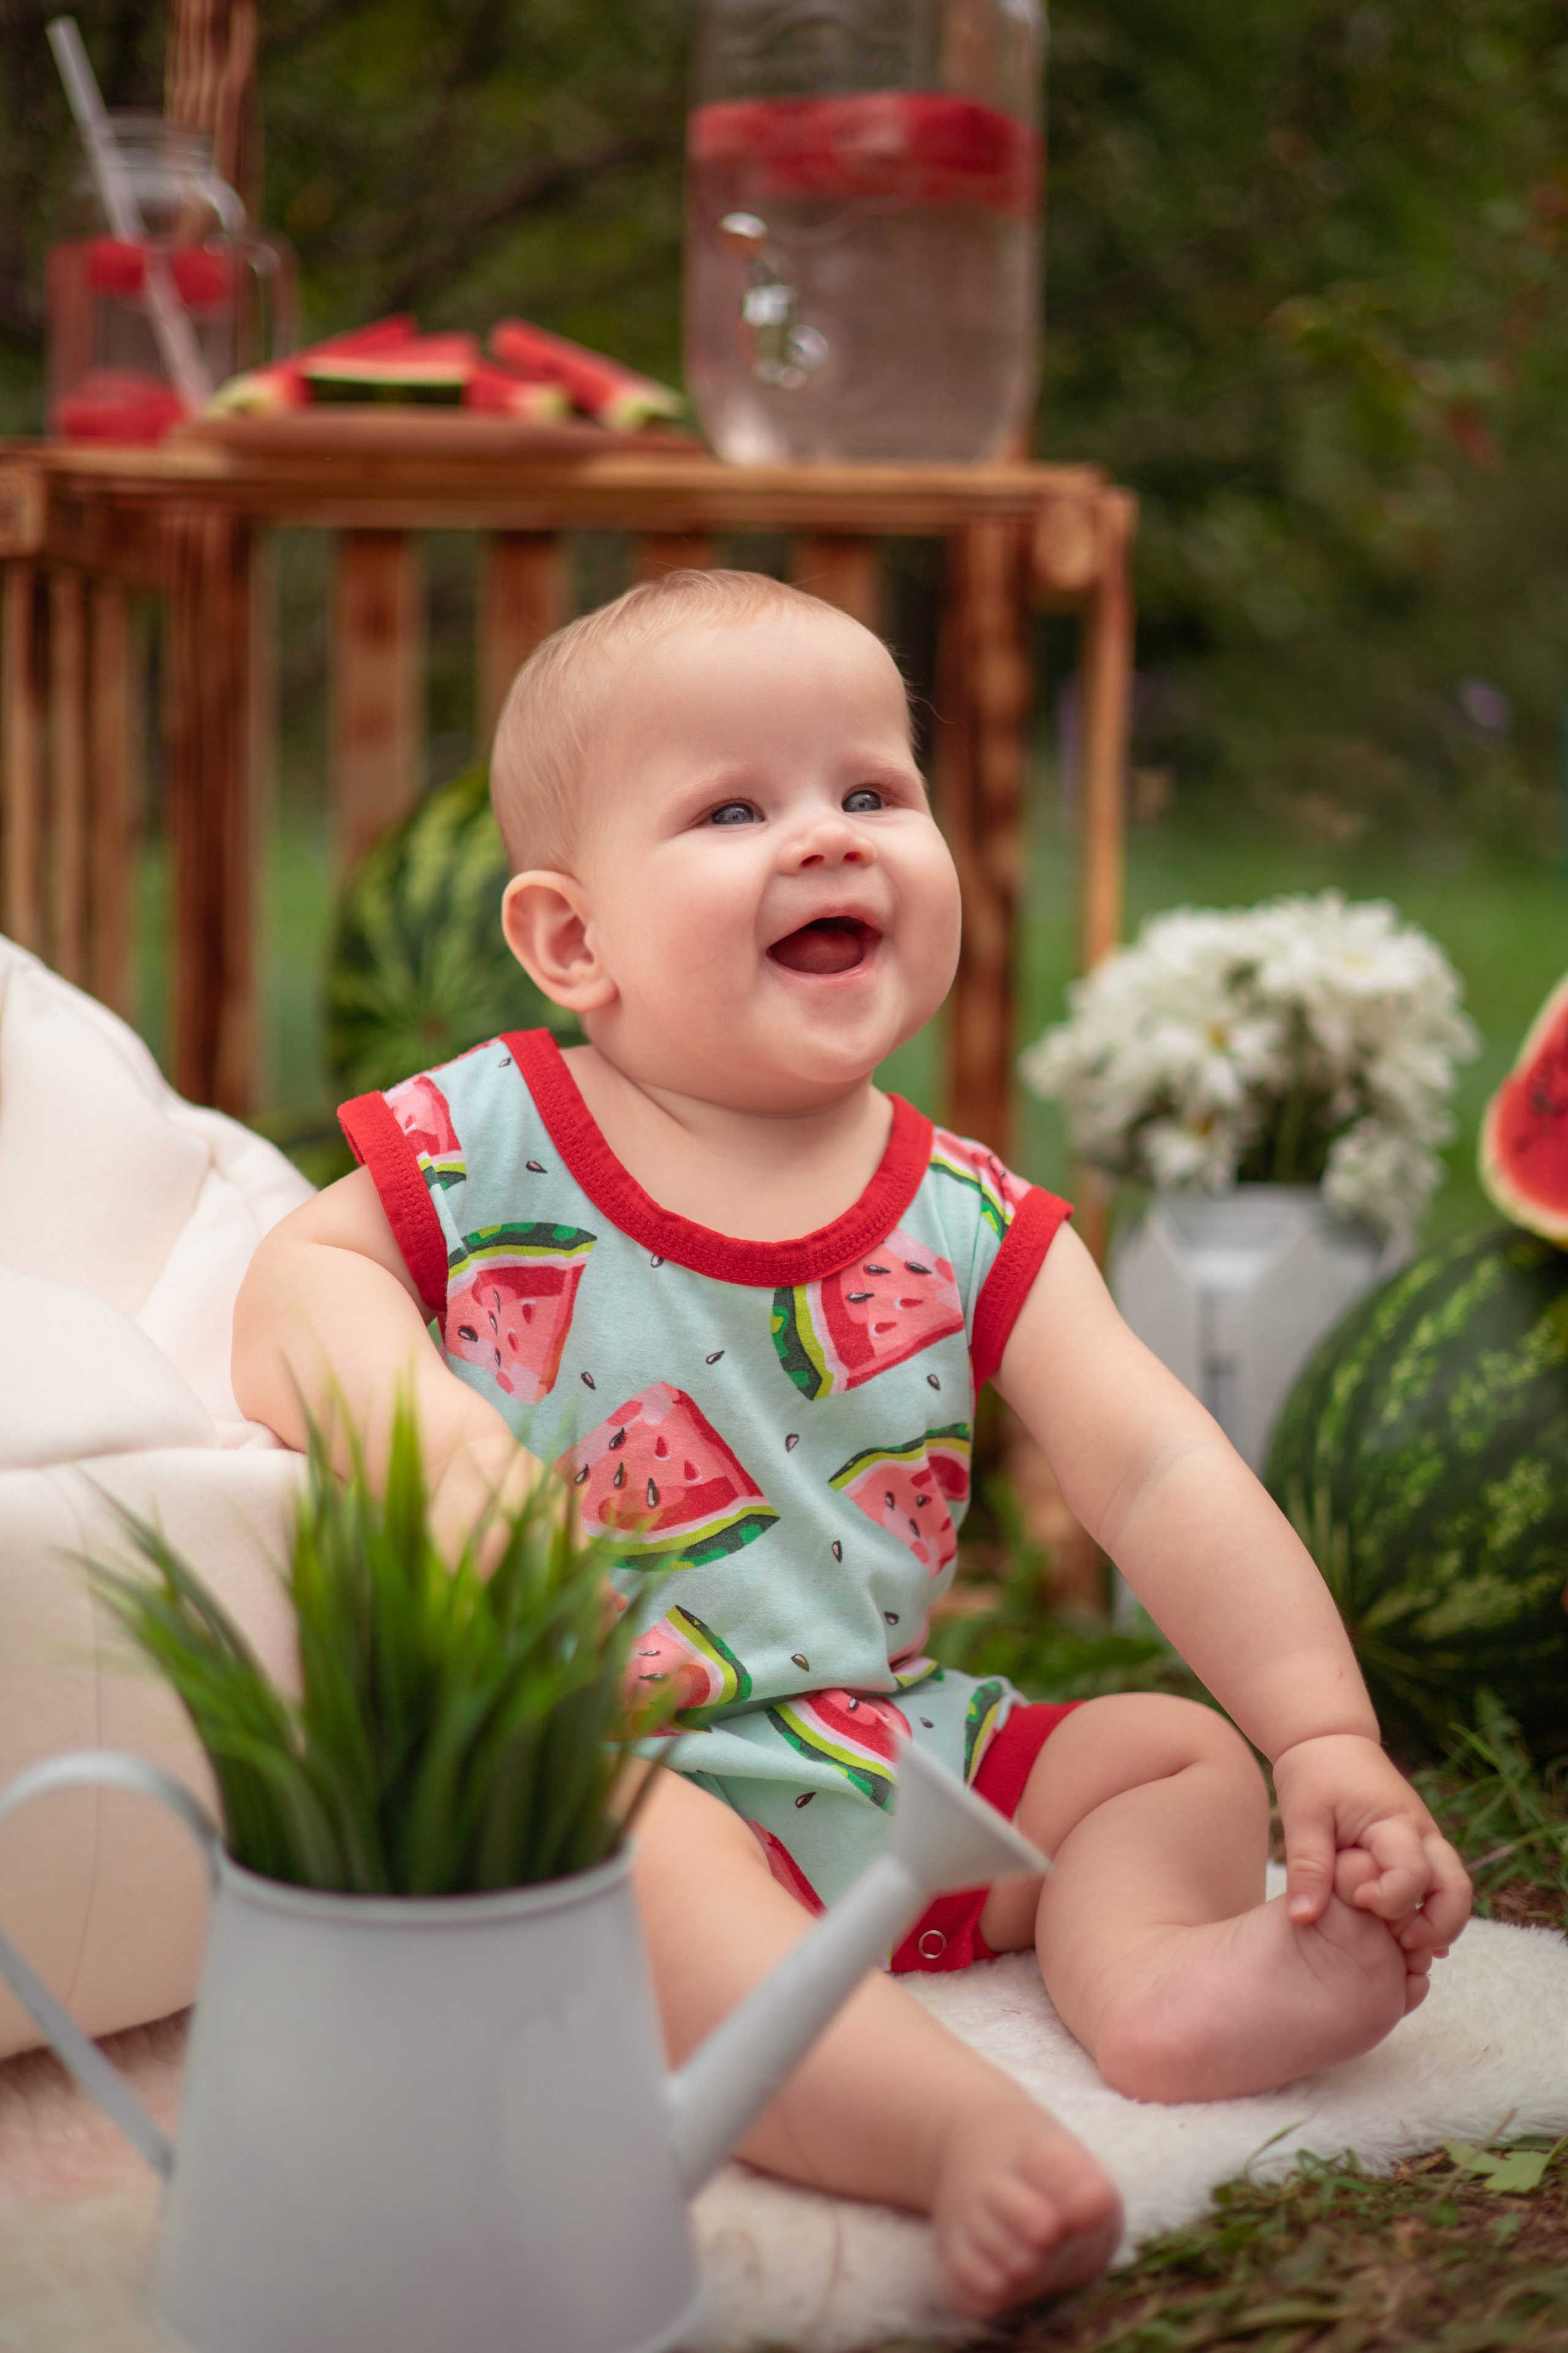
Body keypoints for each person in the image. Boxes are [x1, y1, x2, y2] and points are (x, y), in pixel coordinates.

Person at [233, 570, 1470, 2319]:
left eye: (870, 791)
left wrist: (1320, 1732)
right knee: (646, 1854)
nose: (826, 837)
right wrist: (429, 1444)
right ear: (571, 940)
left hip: (883, 1741)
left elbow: (1161, 1472)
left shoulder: (970, 1214)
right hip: (601, 1746)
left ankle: (1161, 1987)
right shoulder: (489, 1135)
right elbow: (296, 1279)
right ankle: (952, 2124)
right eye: (735, 807)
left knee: (1167, 1752)